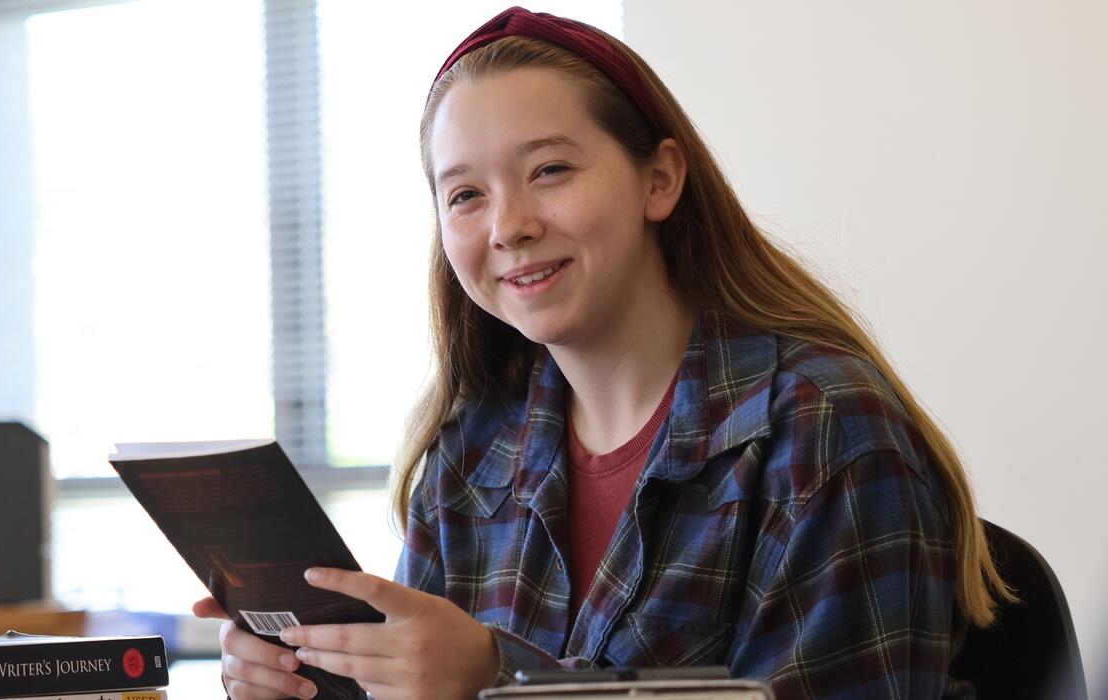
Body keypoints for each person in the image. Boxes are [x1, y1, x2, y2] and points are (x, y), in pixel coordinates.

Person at [195, 7, 1013, 699]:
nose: (509, 225)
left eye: (550, 169)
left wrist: (495, 678)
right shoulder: (467, 454)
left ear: (660, 180)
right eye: (466, 194)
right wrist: (312, 682)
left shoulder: (825, 431)